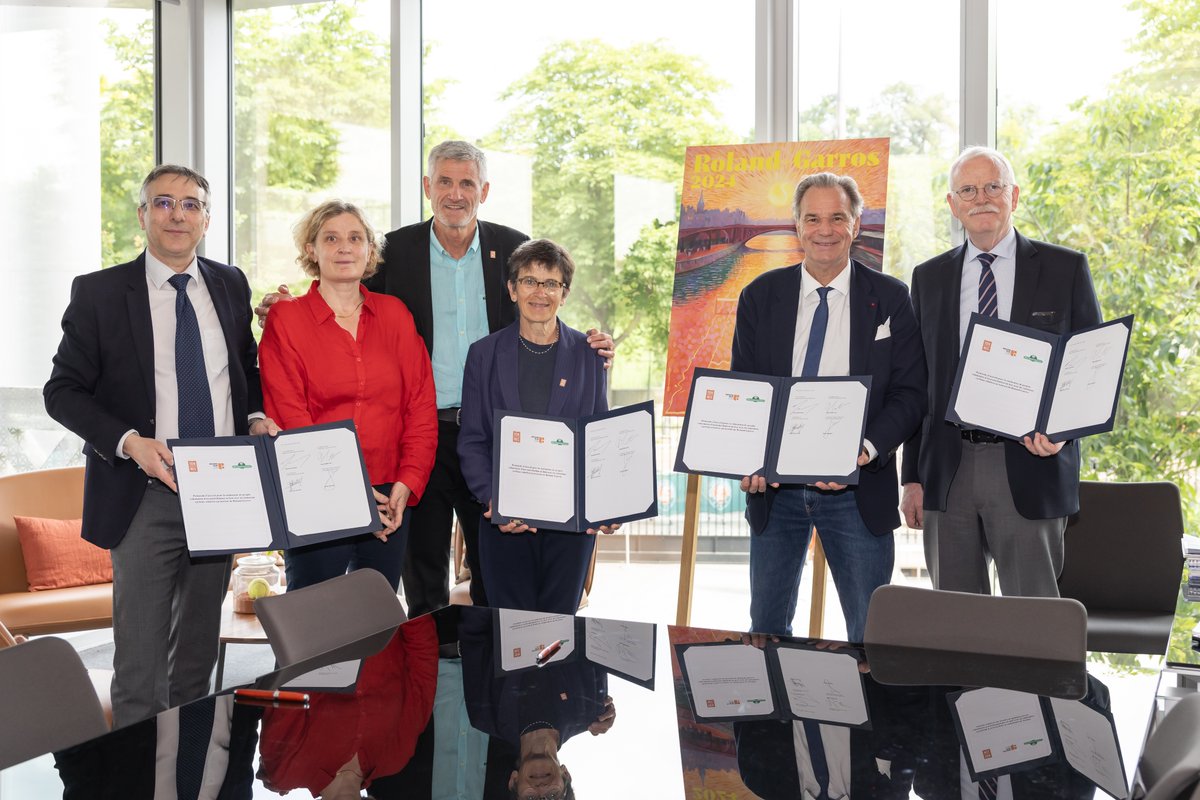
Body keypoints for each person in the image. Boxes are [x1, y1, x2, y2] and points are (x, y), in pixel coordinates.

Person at [257, 140, 614, 616]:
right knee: (421, 577)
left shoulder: (511, 245)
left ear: (483, 190)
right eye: (444, 181)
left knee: (494, 573)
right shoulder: (397, 250)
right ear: (428, 187)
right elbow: (341, 294)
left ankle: (483, 679)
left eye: (467, 182)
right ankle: (432, 683)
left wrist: (590, 343)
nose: (455, 193)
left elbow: (545, 300)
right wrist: (281, 307)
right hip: (421, 438)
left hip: (489, 438)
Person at [43, 164, 278, 727]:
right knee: (141, 664)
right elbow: (62, 391)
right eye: (164, 203)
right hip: (143, 491)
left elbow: (242, 368)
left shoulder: (230, 284)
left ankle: (187, 769)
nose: (178, 214)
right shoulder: (99, 293)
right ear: (143, 215)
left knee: (197, 657)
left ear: (207, 218)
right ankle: (133, 774)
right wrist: (128, 442)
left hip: (222, 492)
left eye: (191, 204)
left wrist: (254, 415)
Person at [900, 146, 1102, 597]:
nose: (982, 198)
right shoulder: (928, 278)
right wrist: (912, 477)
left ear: (1014, 195)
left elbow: (1090, 366)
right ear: (953, 205)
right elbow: (919, 382)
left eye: (993, 186)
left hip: (1031, 463)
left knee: (1032, 623)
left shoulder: (1064, 268)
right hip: (947, 471)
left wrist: (1064, 431)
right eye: (967, 189)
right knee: (956, 624)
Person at [732, 172, 925, 642]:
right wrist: (748, 457)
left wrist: (864, 448)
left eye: (837, 217)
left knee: (871, 636)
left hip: (859, 490)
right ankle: (776, 720)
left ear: (856, 224)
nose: (825, 229)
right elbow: (746, 390)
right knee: (767, 633)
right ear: (797, 226)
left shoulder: (893, 298)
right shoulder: (760, 297)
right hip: (776, 494)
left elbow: (911, 393)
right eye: (812, 218)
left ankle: (868, 718)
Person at [258, 200, 437, 592]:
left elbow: (420, 406)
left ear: (370, 250)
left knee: (375, 630)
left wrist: (408, 481)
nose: (344, 248)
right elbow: (290, 417)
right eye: (331, 238)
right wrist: (350, 495)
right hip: (316, 495)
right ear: (311, 250)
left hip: (390, 497)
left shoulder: (396, 315)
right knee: (311, 632)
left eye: (356, 238)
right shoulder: (287, 320)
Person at [457, 239, 616, 615]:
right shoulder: (483, 354)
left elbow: (599, 438)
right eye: (529, 281)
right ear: (512, 289)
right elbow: (473, 440)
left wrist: (610, 503)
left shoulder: (589, 354)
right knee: (509, 635)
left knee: (558, 636)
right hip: (506, 522)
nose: (540, 292)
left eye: (551, 284)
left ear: (565, 293)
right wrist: (494, 500)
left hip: (570, 528)